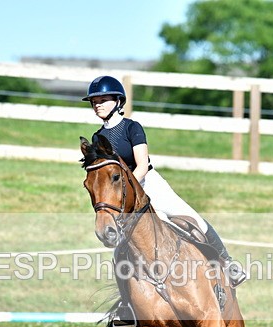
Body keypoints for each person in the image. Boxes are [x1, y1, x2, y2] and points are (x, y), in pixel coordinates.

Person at [83, 75, 247, 288]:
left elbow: (141, 164)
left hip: (148, 183)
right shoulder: (97, 137)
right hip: (122, 195)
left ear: (118, 101)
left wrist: (130, 186)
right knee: (120, 249)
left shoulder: (132, 128)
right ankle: (126, 305)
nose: (97, 106)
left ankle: (227, 263)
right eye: (94, 102)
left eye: (102, 101)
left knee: (194, 218)